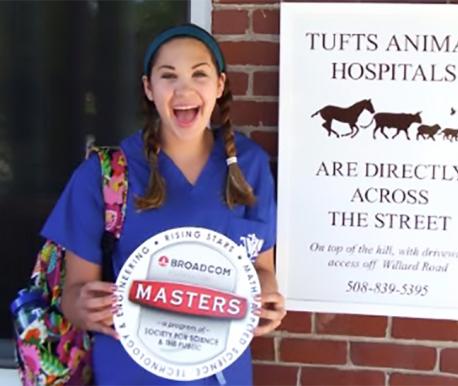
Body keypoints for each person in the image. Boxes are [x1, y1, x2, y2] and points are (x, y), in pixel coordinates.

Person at [41, 23, 286, 385]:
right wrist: (83, 308)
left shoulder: (249, 165)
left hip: (221, 372)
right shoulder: (105, 175)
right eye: (168, 76)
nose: (184, 89)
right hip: (128, 372)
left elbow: (262, 268)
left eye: (199, 74)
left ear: (219, 85)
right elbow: (74, 296)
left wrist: (267, 299)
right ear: (148, 88)